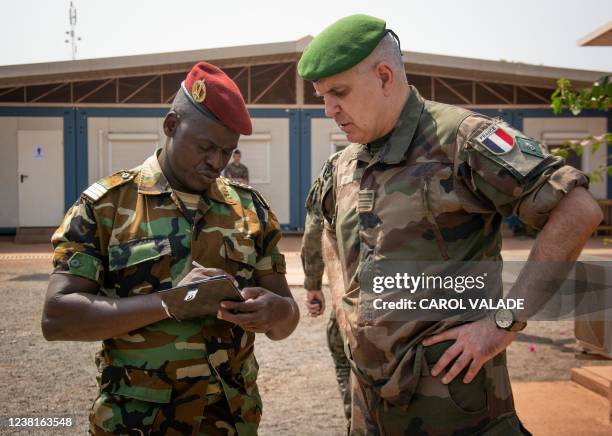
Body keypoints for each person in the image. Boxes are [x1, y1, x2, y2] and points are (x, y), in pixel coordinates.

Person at [297, 14, 602, 435]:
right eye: (322, 96)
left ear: (385, 76)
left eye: (338, 92)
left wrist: (504, 322)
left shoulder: (463, 140)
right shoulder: (346, 162)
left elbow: (578, 210)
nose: (329, 109)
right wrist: (341, 297)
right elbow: (327, 226)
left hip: (457, 411)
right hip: (371, 407)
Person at [41, 61, 299, 436]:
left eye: (227, 152)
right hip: (137, 423)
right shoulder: (105, 207)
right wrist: (170, 302)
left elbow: (286, 320)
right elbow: (57, 317)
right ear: (171, 126)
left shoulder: (251, 210)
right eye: (206, 146)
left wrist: (276, 313)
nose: (216, 162)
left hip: (230, 421)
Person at [300, 151, 352, 423]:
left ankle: (355, 419)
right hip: (431, 296)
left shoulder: (340, 164)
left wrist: (313, 284)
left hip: (356, 297)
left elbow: (315, 230)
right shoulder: (442, 150)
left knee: (346, 352)